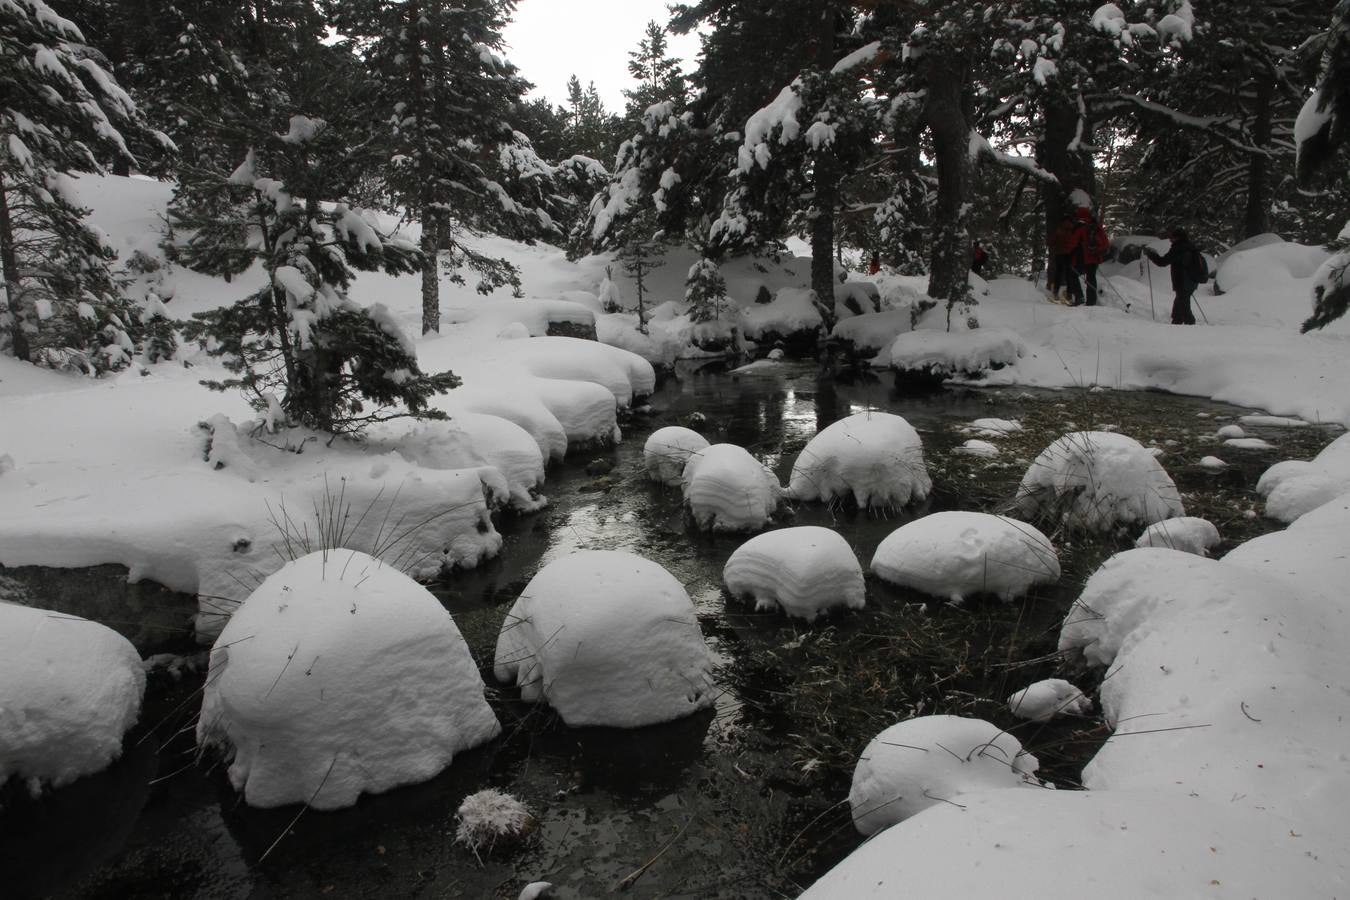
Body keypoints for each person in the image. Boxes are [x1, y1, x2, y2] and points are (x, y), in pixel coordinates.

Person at [1146, 228, 1205, 325]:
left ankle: (1190, 324)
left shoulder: (1178, 248)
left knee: (1183, 304)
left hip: (1183, 281)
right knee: (1180, 301)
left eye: (1171, 237)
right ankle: (1176, 321)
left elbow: (1162, 262)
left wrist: (1151, 255)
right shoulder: (1190, 246)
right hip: (1192, 280)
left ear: (1178, 238)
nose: (1169, 239)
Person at [1066, 206, 1110, 306]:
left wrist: (1069, 253)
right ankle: (1091, 301)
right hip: (1095, 257)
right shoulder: (1096, 226)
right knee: (1091, 278)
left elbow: (1072, 244)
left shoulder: (1080, 227)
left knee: (1073, 275)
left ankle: (1079, 297)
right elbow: (1106, 243)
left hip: (1082, 259)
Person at [1049, 215, 1076, 300]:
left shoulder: (1059, 229)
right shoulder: (1073, 229)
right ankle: (1069, 294)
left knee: (1059, 273)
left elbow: (1051, 241)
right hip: (1070, 254)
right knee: (1069, 274)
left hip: (1059, 253)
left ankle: (1056, 292)